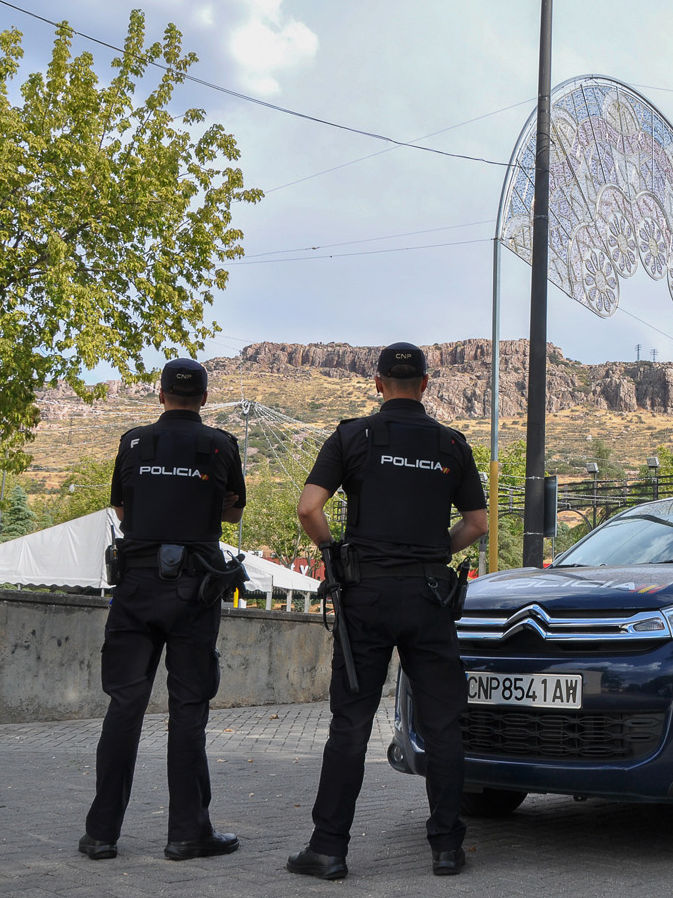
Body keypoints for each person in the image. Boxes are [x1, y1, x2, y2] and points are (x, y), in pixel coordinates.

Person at [287, 342, 487, 881]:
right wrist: (433, 554)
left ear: (378, 384)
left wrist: (333, 553)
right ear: (426, 385)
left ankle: (328, 849)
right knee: (444, 724)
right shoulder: (451, 443)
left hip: (366, 595)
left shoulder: (353, 435)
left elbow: (309, 508)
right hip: (428, 598)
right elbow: (478, 524)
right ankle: (446, 848)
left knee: (350, 724)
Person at [80, 358, 247, 862]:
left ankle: (101, 835)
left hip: (135, 588)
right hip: (194, 590)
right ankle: (186, 834)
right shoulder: (220, 444)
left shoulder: (133, 441)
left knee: (124, 707)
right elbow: (235, 509)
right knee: (188, 710)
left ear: (160, 397)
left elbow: (123, 510)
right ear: (202, 397)